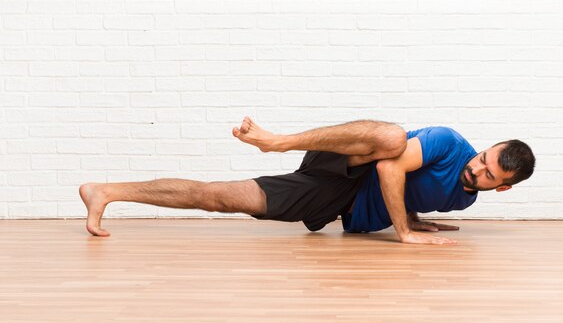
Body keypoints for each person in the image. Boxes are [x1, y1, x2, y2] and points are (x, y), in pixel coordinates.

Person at [79, 117, 535, 245]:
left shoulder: (464, 201)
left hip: (340, 200)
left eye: (488, 174)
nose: (474, 168)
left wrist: (416, 216)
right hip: (348, 161)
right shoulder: (449, 142)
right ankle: (278, 141)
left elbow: (408, 188)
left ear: (503, 187)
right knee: (392, 138)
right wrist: (406, 232)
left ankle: (107, 191)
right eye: (482, 158)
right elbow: (389, 167)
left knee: (222, 197)